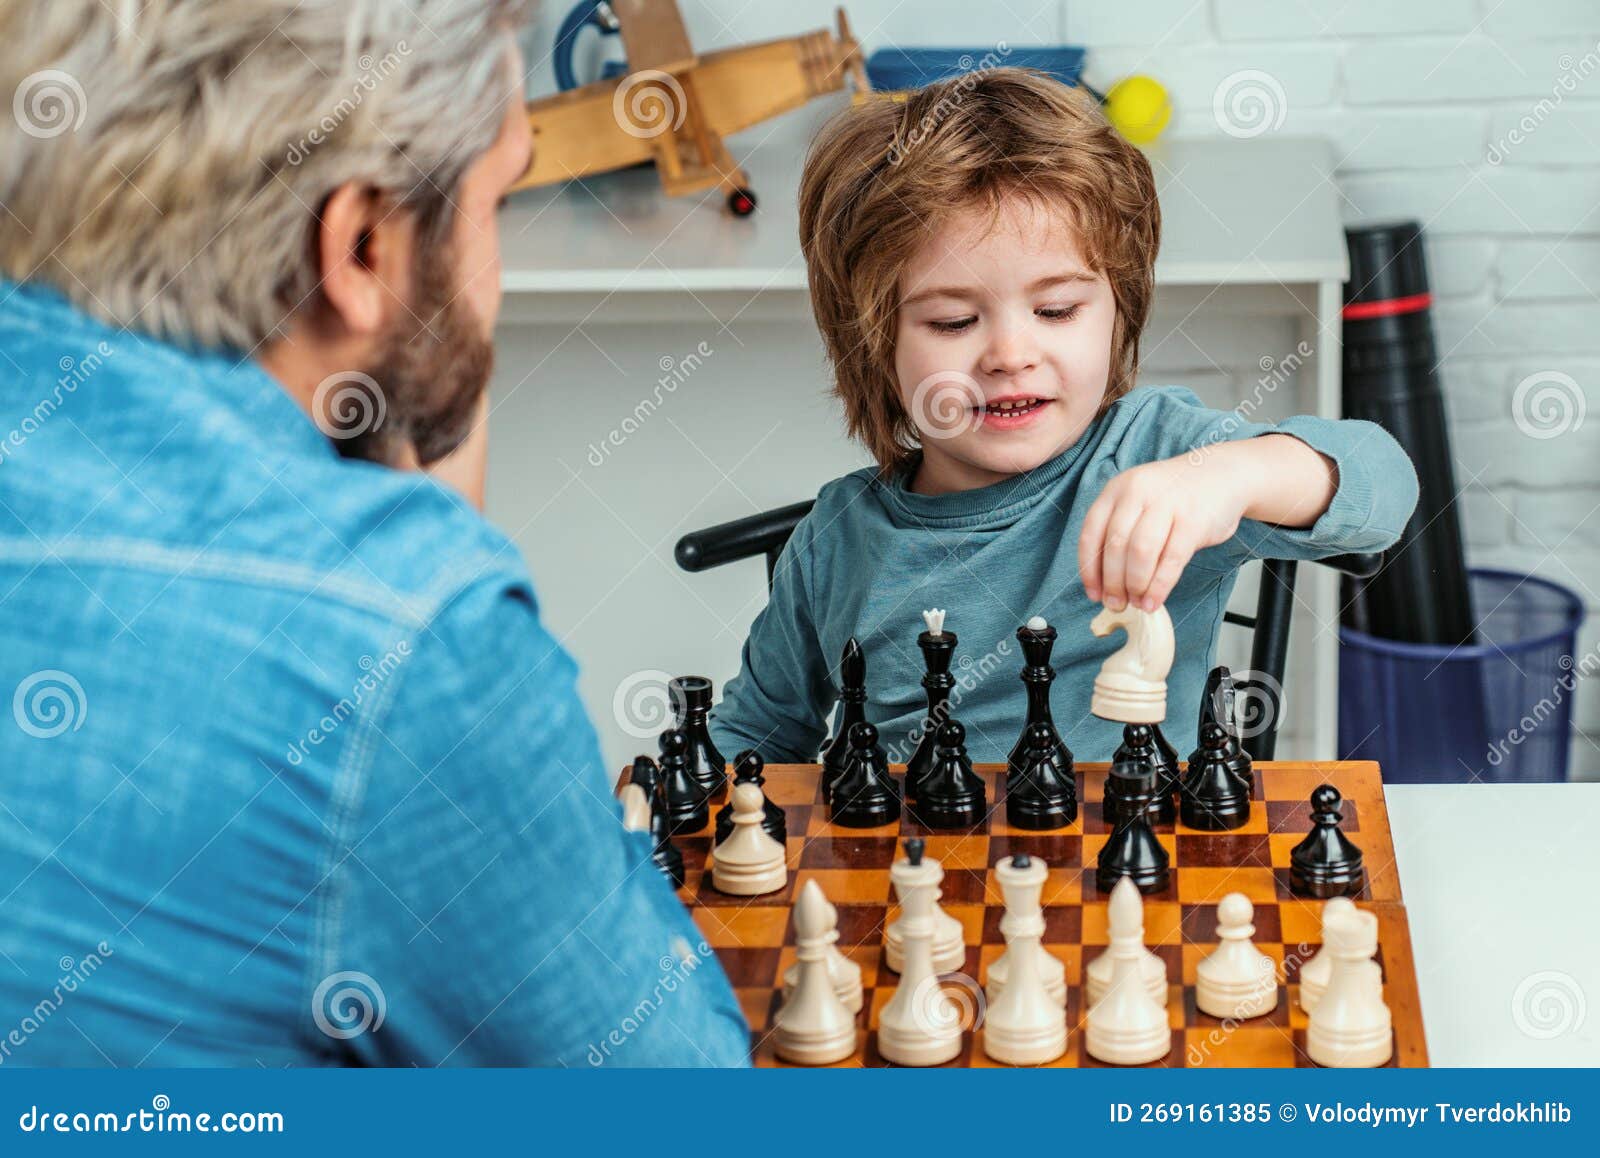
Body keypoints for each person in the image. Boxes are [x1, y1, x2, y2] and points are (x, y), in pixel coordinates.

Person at [0, 0, 747, 1067]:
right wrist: (420, 560)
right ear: (360, 245)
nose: (491, 282)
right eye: (498, 201)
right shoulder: (401, 641)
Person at [710, 69, 1421, 766]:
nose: (1012, 354)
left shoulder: (1157, 457)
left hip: (1123, 863)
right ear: (874, 342)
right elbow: (758, 736)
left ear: (1119, 313)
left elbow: (1383, 486)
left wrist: (1233, 474)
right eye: (955, 321)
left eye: (1056, 311)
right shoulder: (834, 541)